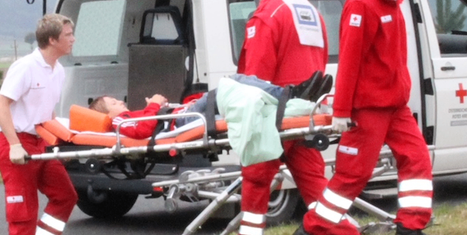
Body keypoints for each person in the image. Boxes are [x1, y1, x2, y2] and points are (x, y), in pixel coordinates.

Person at [294, 0, 451, 235]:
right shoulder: (363, 4)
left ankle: (410, 230)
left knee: (417, 160)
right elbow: (349, 62)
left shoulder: (394, 1)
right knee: (353, 176)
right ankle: (312, 231)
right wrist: (341, 112)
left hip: (395, 107)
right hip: (368, 110)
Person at [233, 0, 332, 235]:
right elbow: (321, 62)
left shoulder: (268, 13)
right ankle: (342, 234)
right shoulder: (312, 11)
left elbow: (256, 75)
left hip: (274, 114)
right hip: (305, 113)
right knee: (314, 180)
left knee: (256, 177)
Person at [0, 13, 79, 235]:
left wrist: (58, 137)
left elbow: (47, 111)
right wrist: (15, 145)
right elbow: (0, 106)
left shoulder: (59, 71)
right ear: (52, 39)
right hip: (17, 142)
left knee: (66, 195)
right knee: (24, 211)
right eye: (68, 35)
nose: (73, 39)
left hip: (40, 140)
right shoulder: (25, 67)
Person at [86, 72, 329, 138]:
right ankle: (295, 94)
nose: (120, 102)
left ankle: (298, 97)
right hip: (182, 120)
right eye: (114, 103)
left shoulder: (127, 116)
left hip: (181, 116)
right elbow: (142, 131)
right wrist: (155, 106)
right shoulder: (118, 121)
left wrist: (154, 107)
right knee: (231, 83)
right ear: (106, 113)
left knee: (238, 84)